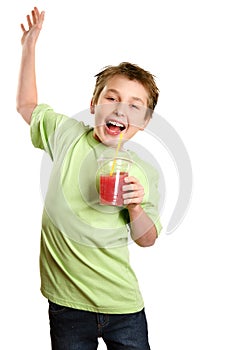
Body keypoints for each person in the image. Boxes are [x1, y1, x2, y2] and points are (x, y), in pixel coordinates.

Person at [17, 6, 162, 350]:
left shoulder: (142, 171)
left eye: (134, 105)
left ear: (143, 123)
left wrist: (136, 207)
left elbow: (147, 240)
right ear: (94, 103)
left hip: (122, 306)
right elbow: (26, 106)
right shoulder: (67, 135)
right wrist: (29, 47)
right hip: (67, 304)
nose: (120, 109)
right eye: (111, 98)